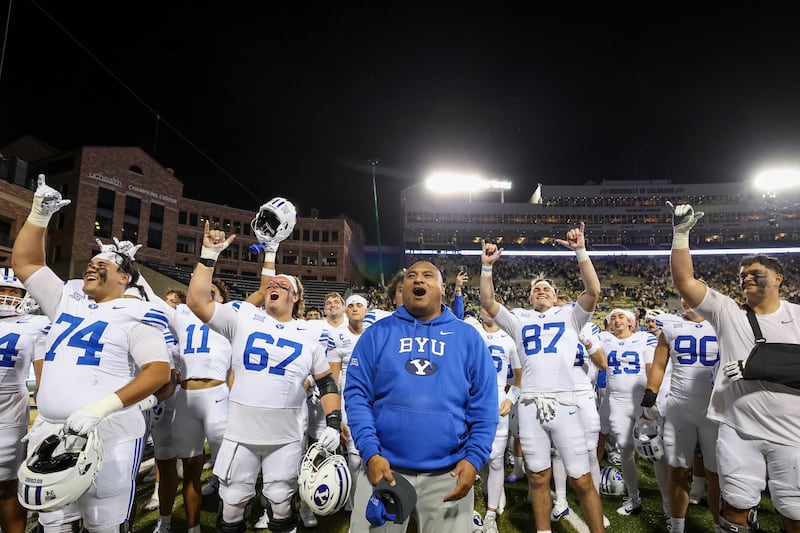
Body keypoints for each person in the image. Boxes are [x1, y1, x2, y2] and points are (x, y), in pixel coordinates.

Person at [11, 175, 171, 533]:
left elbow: (158, 371)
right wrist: (38, 215)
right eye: (91, 263)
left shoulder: (137, 312)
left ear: (125, 278)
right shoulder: (66, 300)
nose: (92, 267)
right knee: (53, 522)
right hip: (50, 430)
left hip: (110, 432)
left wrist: (100, 408)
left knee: (104, 522)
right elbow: (26, 264)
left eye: (104, 266)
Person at [186, 221, 342, 533]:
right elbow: (197, 302)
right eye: (272, 284)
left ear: (295, 297)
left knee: (282, 503)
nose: (274, 287)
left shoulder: (309, 332)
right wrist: (208, 256)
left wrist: (334, 423)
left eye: (282, 286)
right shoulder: (243, 316)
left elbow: (326, 382)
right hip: (240, 432)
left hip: (285, 436)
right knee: (232, 505)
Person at [668, 202, 800, 533]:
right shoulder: (729, 312)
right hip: (738, 429)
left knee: (793, 511)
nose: (746, 279)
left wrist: (759, 367)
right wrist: (680, 235)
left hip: (792, 432)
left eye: (755, 274)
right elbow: (684, 281)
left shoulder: (798, 317)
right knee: (735, 510)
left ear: (778, 279)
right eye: (742, 276)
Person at [344, 261, 498, 532]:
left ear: (442, 288)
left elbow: (484, 404)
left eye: (427, 275)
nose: (418, 280)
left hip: (448, 472)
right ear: (402, 288)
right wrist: (370, 452)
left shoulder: (468, 338)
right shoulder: (377, 334)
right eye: (411, 276)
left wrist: (474, 459)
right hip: (383, 468)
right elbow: (357, 396)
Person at [480, 223, 606, 533]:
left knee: (581, 478)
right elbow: (488, 303)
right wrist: (486, 267)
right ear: (529, 297)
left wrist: (581, 251)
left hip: (565, 403)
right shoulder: (519, 319)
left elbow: (593, 291)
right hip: (529, 404)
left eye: (547, 288)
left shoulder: (571, 315)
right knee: (537, 477)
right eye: (536, 289)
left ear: (556, 296)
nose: (541, 291)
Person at [642, 298, 721, 532]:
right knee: (677, 470)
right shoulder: (670, 325)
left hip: (714, 410)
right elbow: (659, 364)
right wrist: (650, 395)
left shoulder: (721, 323)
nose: (686, 300)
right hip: (679, 408)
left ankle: (719, 525)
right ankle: (677, 527)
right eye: (683, 297)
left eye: (691, 295)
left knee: (716, 475)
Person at [593, 308, 659, 517]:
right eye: (613, 317)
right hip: (614, 400)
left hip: (639, 401)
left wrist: (652, 397)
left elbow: (651, 368)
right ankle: (627, 497)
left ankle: (654, 503)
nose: (616, 320)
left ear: (632, 322)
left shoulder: (644, 338)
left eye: (621, 316)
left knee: (649, 452)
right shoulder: (604, 338)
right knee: (613, 446)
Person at [0, 268, 48, 533]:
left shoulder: (37, 324)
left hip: (8, 410)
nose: (7, 296)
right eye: (2, 290)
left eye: (13, 291)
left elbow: (43, 377)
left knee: (7, 485)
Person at [471, 306, 521, 533]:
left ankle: (490, 514)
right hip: (471, 400)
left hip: (497, 399)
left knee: (496, 459)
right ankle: (480, 496)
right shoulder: (471, 332)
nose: (488, 311)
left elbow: (519, 376)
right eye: (484, 308)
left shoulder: (509, 339)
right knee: (473, 457)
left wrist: (511, 399)